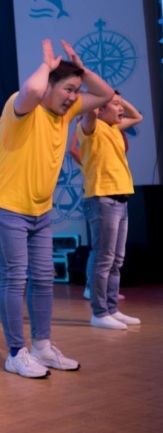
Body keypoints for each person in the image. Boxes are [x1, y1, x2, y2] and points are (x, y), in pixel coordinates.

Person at [0, 39, 113, 378]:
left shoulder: (66, 113)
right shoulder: (22, 107)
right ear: (49, 87)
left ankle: (42, 346)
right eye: (68, 89)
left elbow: (105, 95)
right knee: (16, 278)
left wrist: (81, 70)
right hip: (7, 207)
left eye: (76, 90)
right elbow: (32, 89)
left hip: (40, 212)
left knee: (43, 279)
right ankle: (16, 353)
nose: (73, 97)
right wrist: (46, 65)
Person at [76, 94, 143, 329]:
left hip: (121, 199)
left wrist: (117, 100)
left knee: (116, 260)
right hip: (102, 200)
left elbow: (137, 116)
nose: (120, 108)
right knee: (103, 257)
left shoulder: (114, 128)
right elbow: (90, 113)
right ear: (100, 109)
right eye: (115, 105)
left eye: (120, 104)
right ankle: (99, 312)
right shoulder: (91, 127)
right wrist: (102, 97)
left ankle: (112, 309)